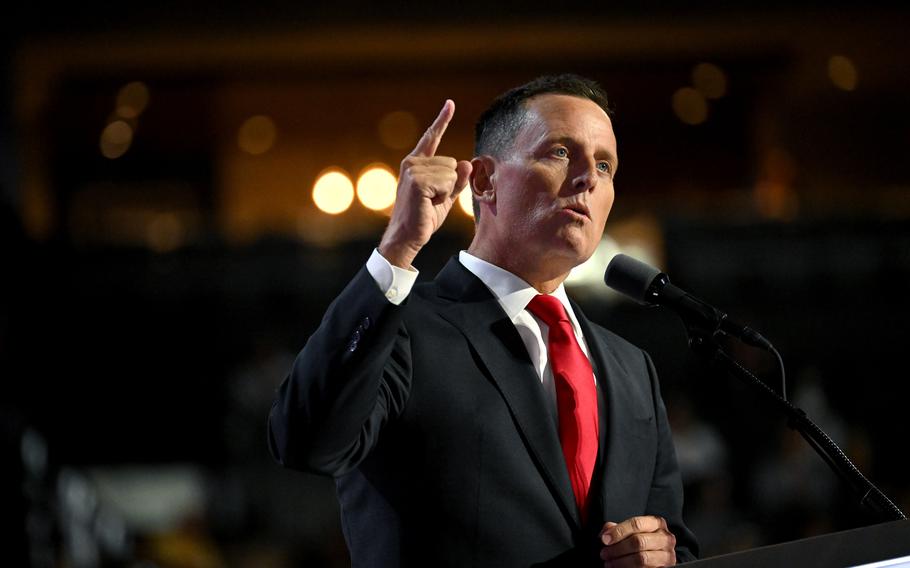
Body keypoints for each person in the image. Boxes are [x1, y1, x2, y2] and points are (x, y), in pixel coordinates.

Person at [268, 74, 698, 567]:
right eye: (561, 153)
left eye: (605, 164)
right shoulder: (403, 329)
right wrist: (397, 248)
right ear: (484, 180)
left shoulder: (632, 368)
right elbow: (305, 441)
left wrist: (660, 553)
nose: (590, 178)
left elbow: (677, 544)